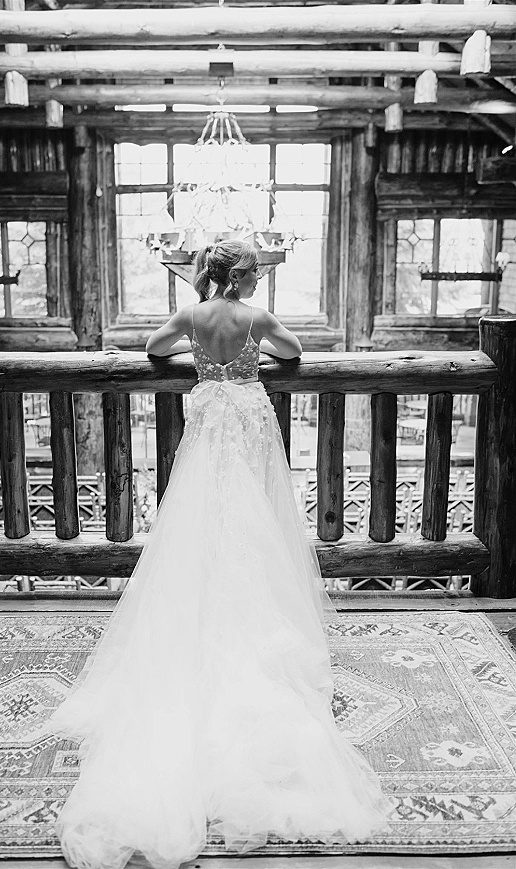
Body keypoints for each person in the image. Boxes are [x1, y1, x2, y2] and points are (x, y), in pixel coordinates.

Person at [44, 240, 391, 869]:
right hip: (249, 415)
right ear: (239, 277)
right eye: (255, 272)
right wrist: (250, 362)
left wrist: (196, 357)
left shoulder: (192, 316)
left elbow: (153, 350)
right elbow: (295, 353)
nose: (259, 280)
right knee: (254, 511)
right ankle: (253, 617)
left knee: (200, 511)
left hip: (207, 415)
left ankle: (199, 602)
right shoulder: (254, 320)